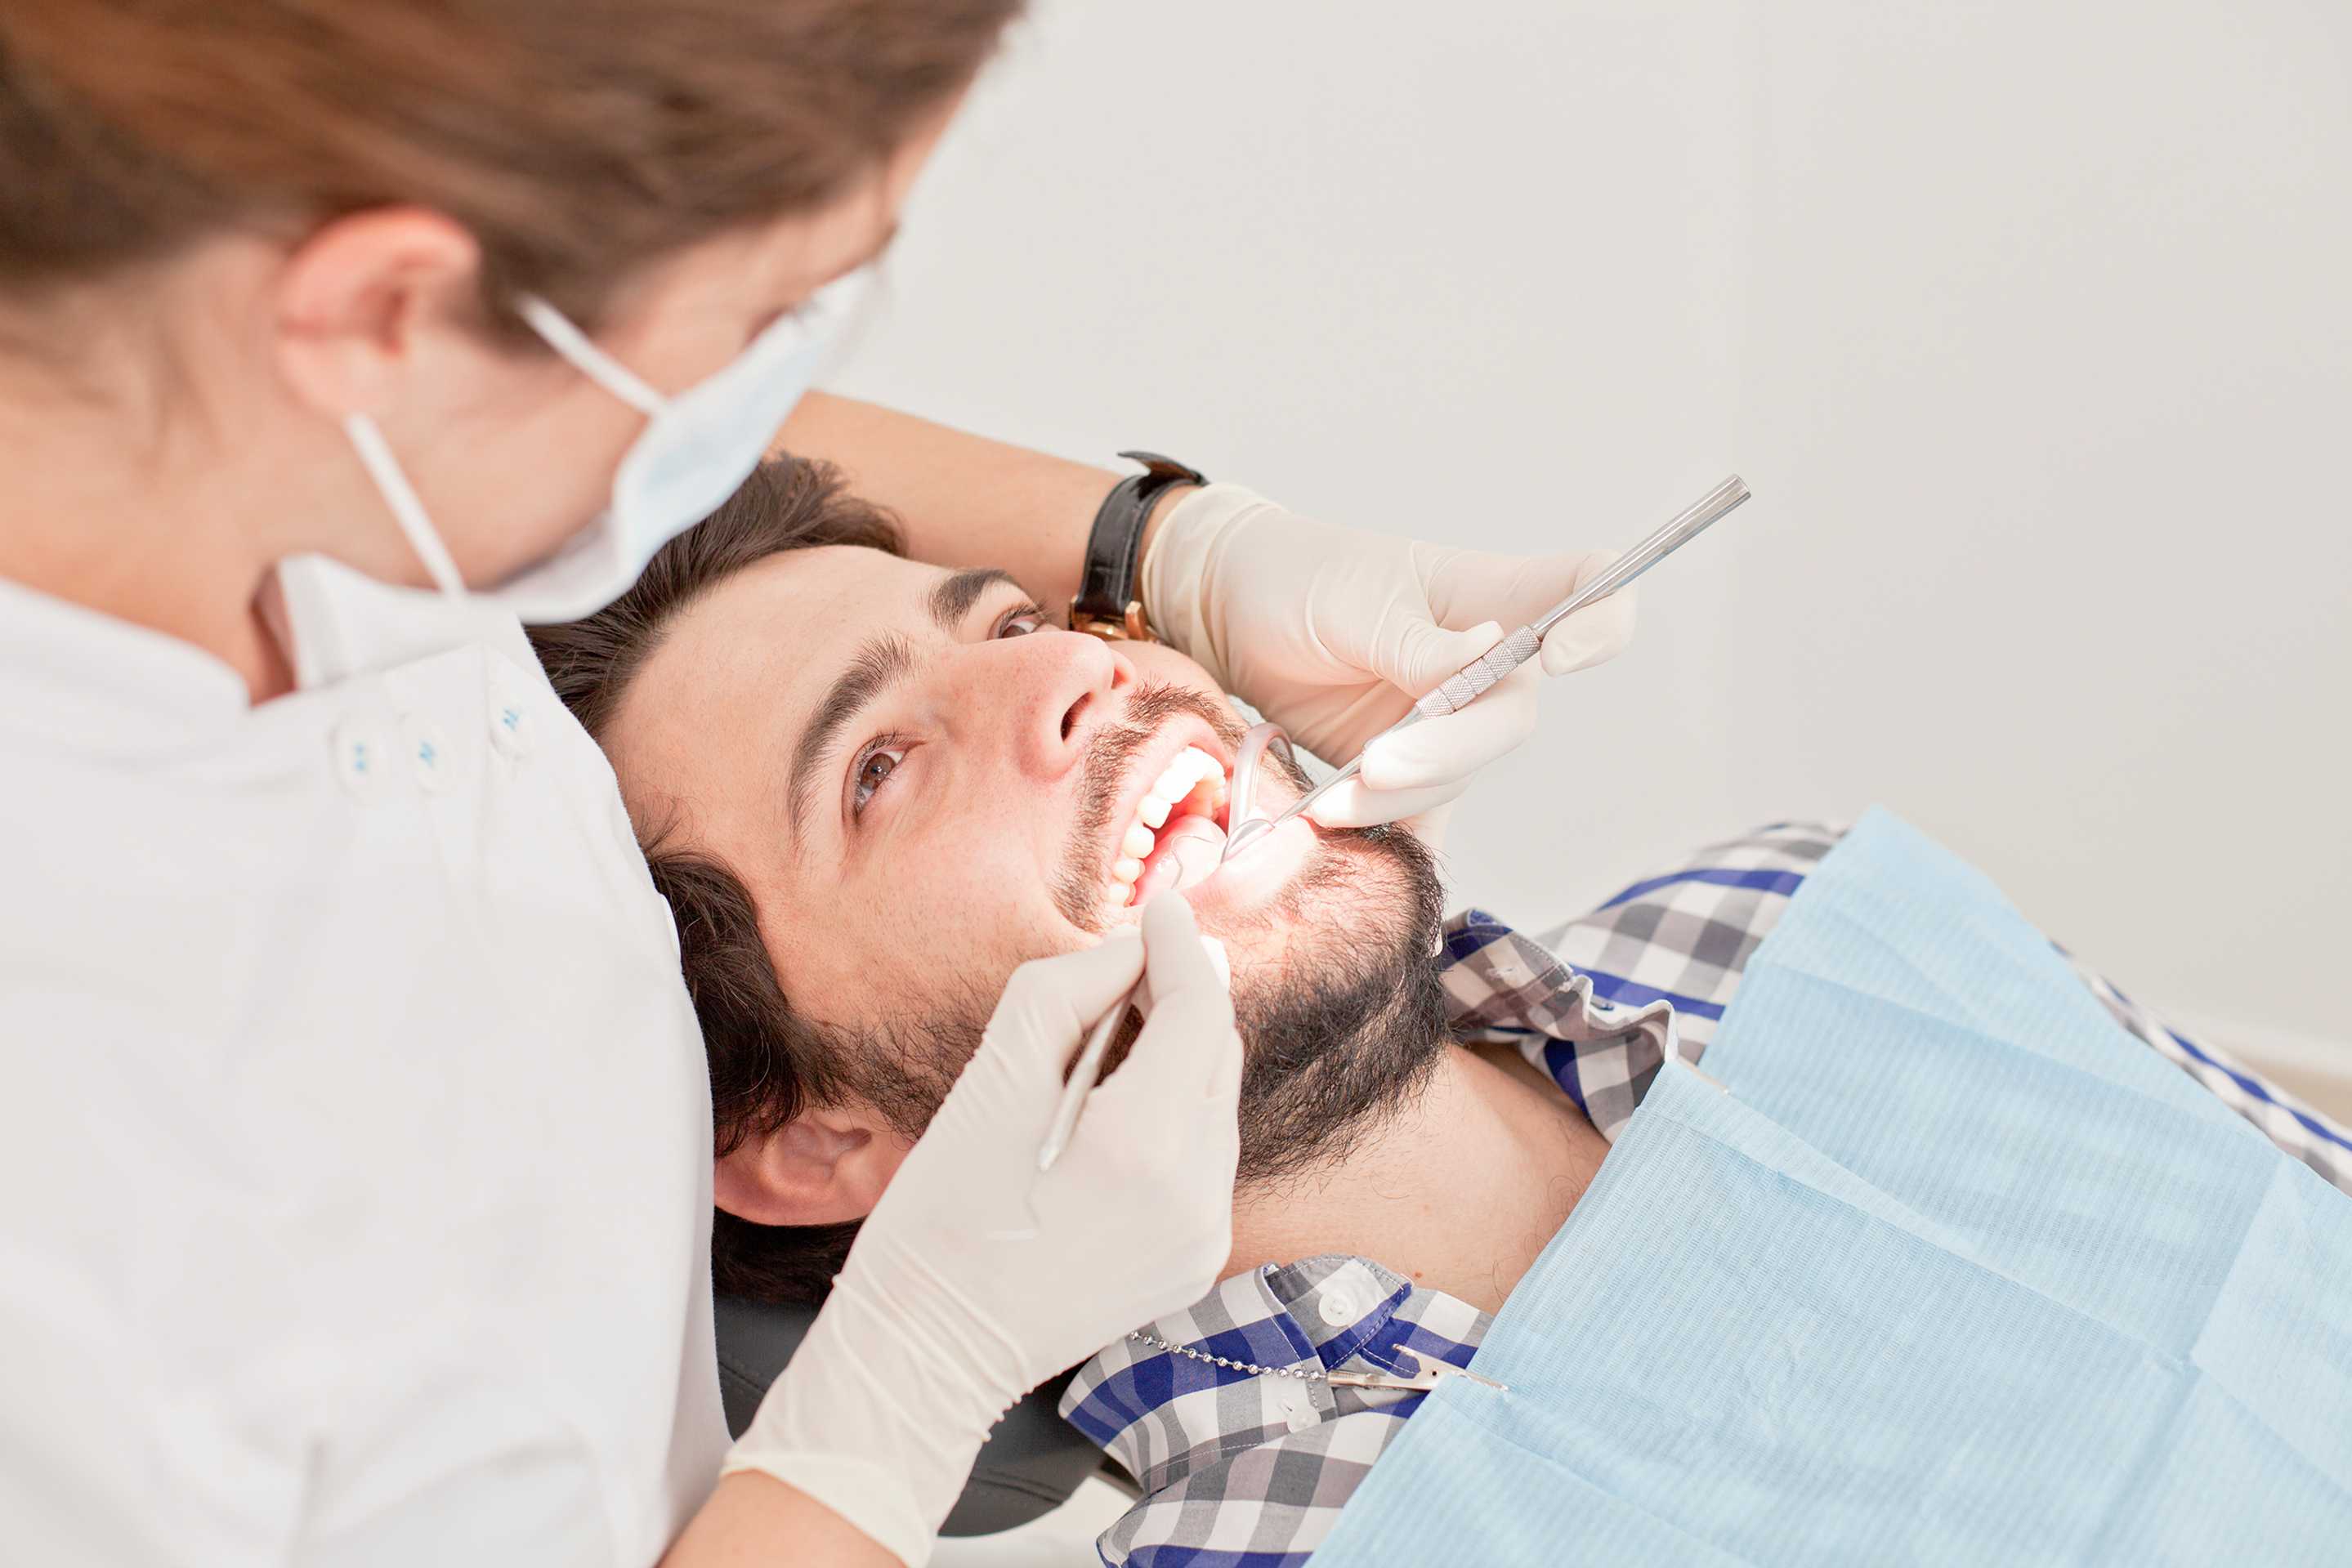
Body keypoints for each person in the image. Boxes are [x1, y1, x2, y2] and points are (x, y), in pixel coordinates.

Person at [0, 5, 1644, 1565]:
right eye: (768, 317)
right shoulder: (86, 1169)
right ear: (378, 321)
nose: (1080, 661)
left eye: (1015, 623)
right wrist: (891, 1400)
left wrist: (1157, 545)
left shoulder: (255, 419)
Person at [534, 455, 2352, 1563]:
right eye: (877, 768)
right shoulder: (1270, 1549)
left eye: (1008, 617)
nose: (1074, 680)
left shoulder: (1782, 915)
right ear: (809, 1140)